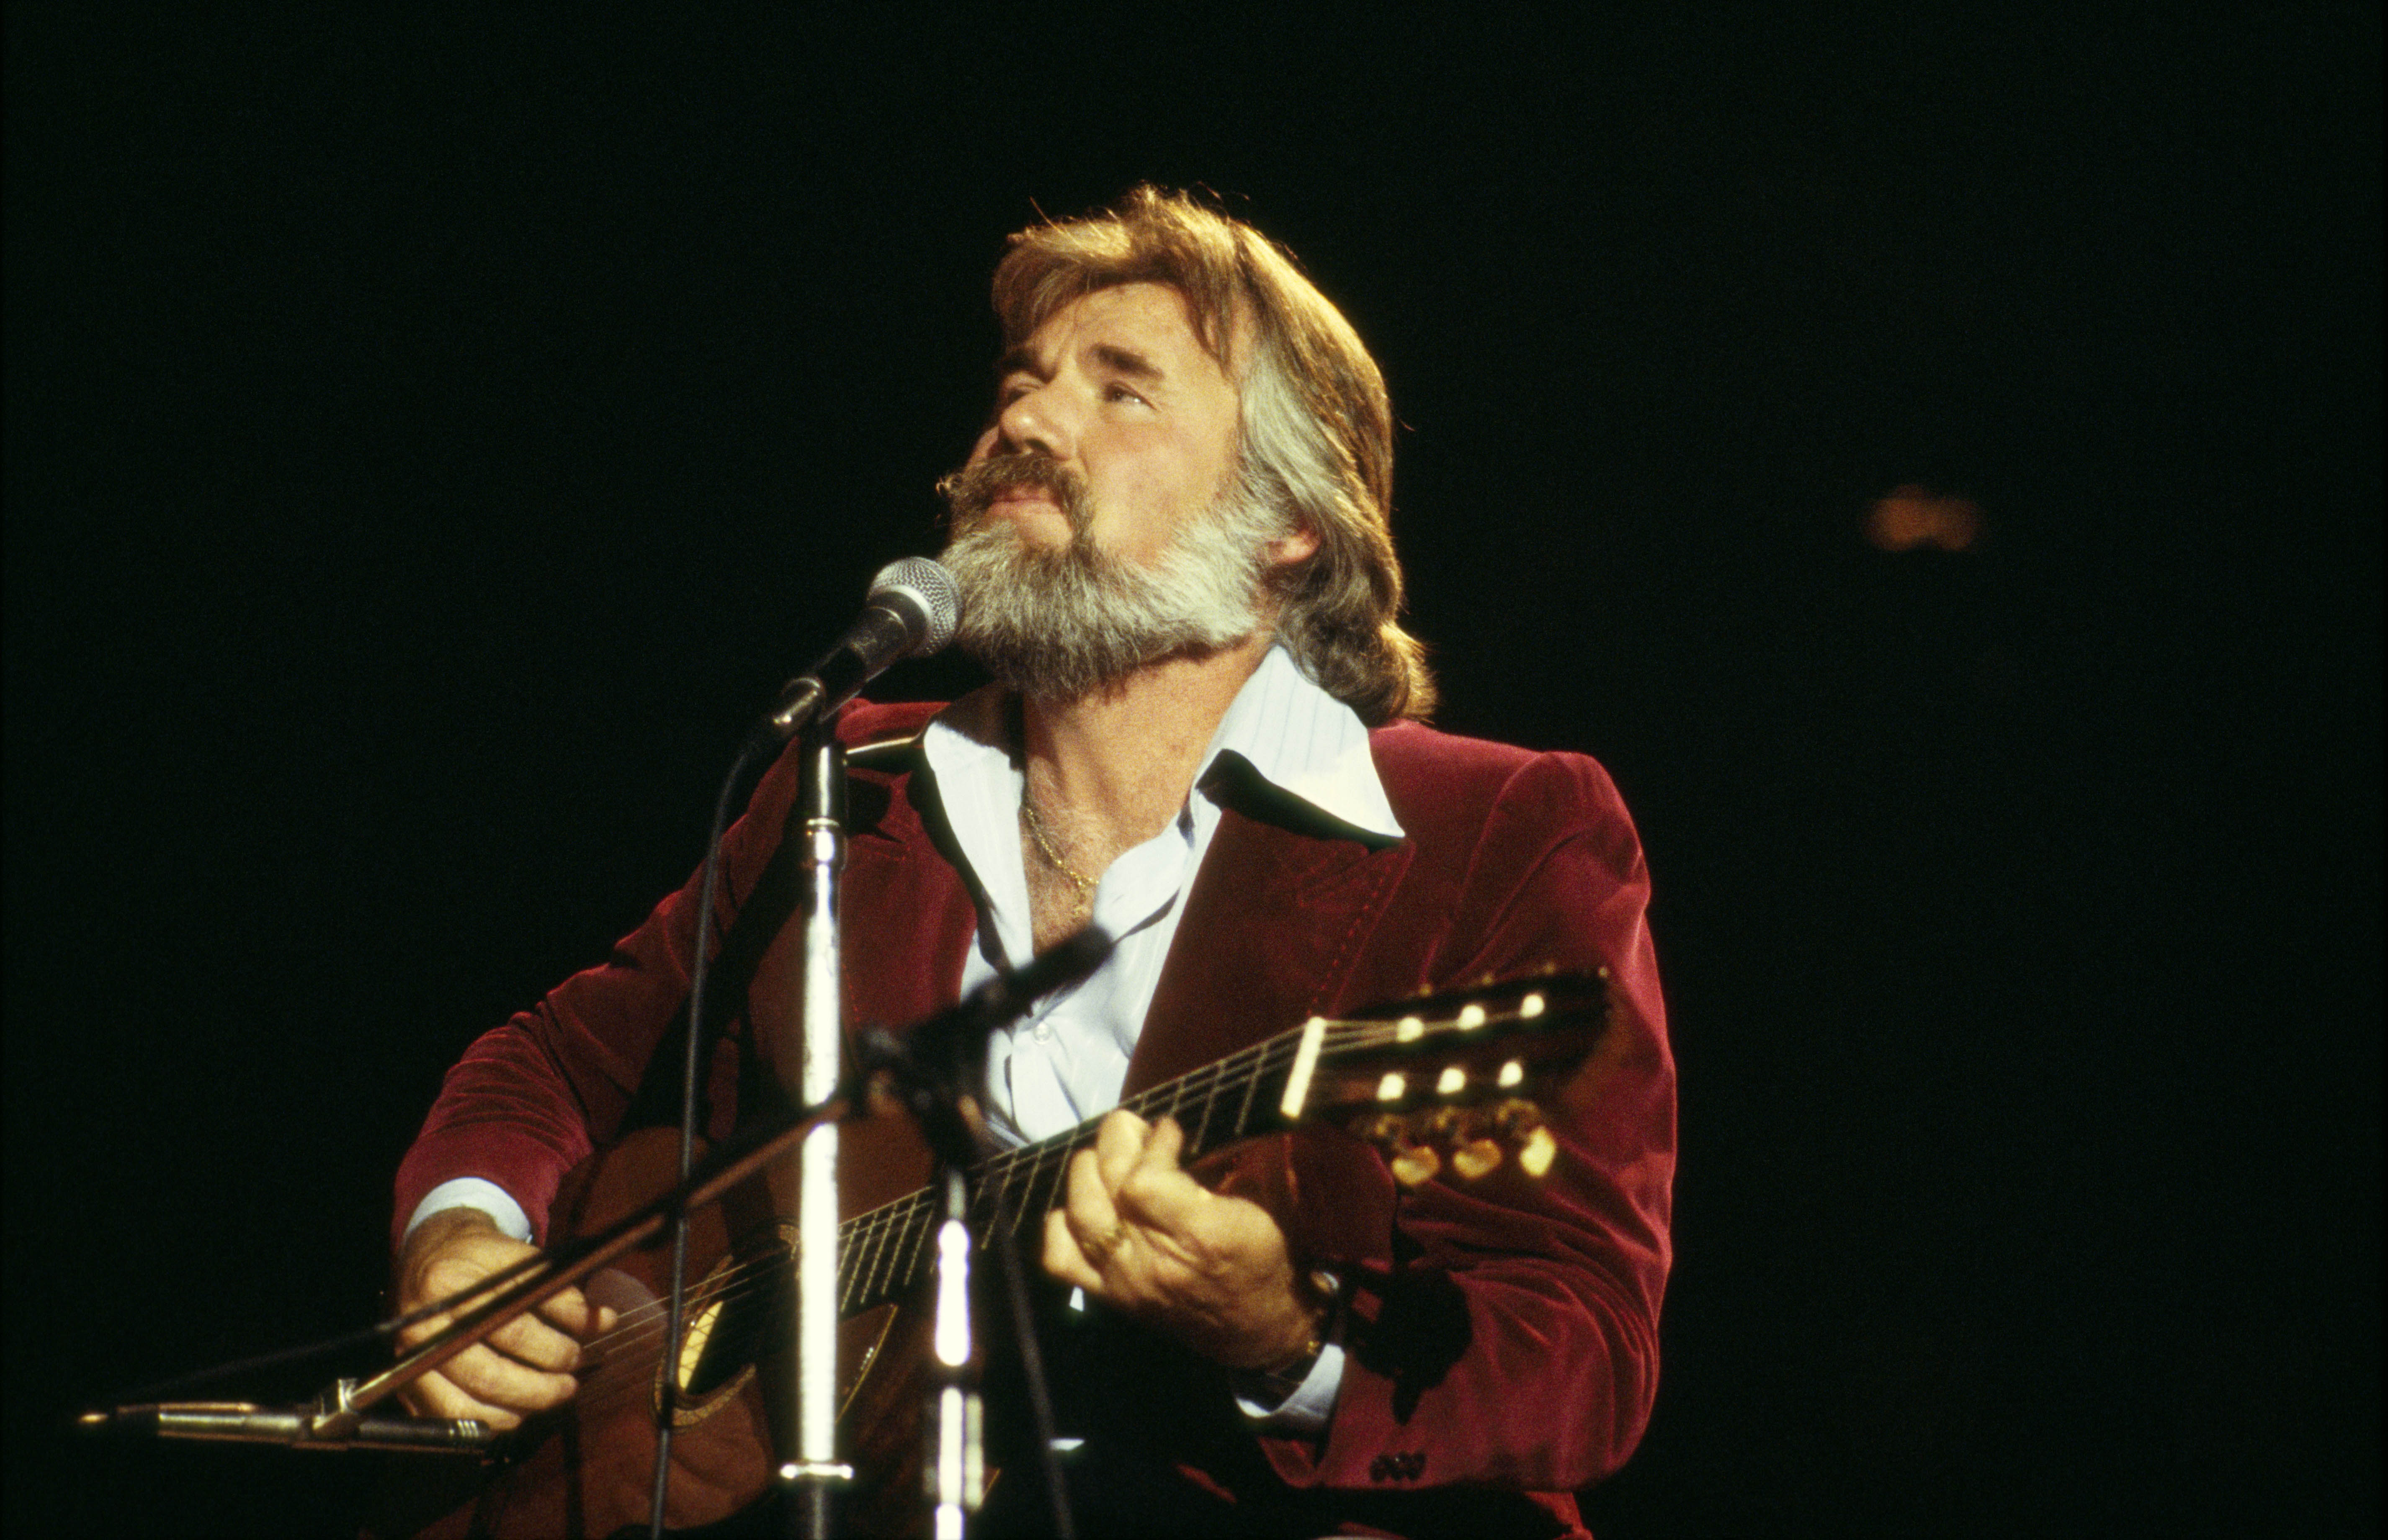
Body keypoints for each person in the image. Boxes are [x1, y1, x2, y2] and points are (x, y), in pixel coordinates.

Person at [388, 187, 1674, 1539]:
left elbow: (1586, 1349)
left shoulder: (1500, 831)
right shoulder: (849, 787)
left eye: (1123, 393)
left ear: (1289, 522)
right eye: (1025, 381)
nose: (1027, 421)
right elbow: (557, 1062)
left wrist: (1284, 1343)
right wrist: (462, 1241)